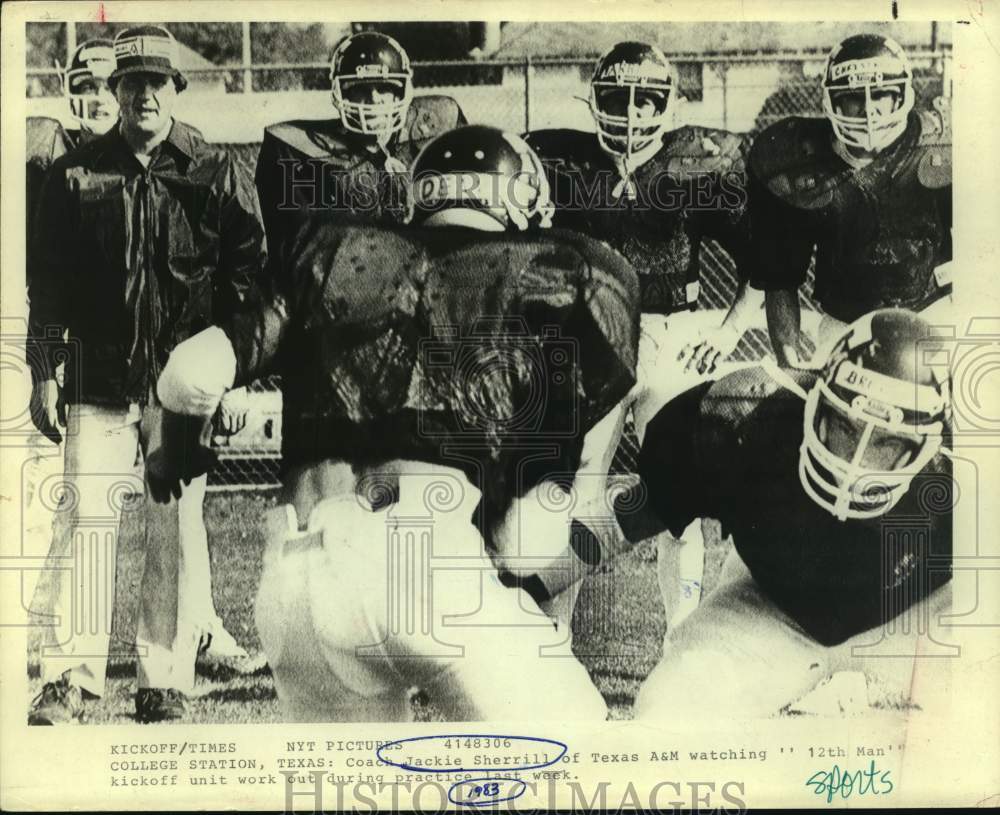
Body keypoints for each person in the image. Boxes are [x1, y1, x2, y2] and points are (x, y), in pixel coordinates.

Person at [152, 125, 641, 721]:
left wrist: (176, 453)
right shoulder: (545, 274)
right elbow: (535, 519)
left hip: (293, 587)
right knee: (575, 755)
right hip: (420, 563)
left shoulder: (336, 256)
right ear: (522, 201)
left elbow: (188, 373)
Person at [27, 25, 267, 725]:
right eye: (131, 83)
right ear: (116, 92)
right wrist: (46, 371)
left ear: (174, 90)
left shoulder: (213, 169)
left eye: (157, 83)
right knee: (88, 521)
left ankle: (162, 678)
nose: (144, 96)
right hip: (97, 379)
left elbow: (245, 280)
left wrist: (235, 373)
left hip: (181, 382)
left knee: (172, 529)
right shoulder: (77, 174)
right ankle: (71, 678)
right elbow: (50, 284)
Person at [611, 308, 953, 718]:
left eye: (885, 442)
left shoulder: (967, 472)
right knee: (667, 709)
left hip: (909, 623)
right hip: (772, 603)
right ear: (817, 403)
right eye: (845, 427)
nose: (855, 460)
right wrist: (527, 584)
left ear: (926, 447)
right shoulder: (748, 416)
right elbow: (627, 520)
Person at [525, 41, 759, 628]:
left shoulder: (697, 167)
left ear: (669, 105)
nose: (630, 115)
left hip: (673, 334)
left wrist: (729, 333)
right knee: (574, 487)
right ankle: (552, 642)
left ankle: (680, 637)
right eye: (617, 100)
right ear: (594, 101)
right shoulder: (559, 163)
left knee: (679, 493)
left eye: (645, 100)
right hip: (589, 337)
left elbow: (766, 264)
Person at [743, 34, 952, 367]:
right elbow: (781, 280)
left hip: (935, 316)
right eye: (854, 96)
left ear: (902, 95)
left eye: (881, 93)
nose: (869, 109)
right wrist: (789, 361)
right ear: (833, 102)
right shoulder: (799, 160)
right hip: (847, 329)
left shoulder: (941, 146)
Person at [254, 31, 466, 261]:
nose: (374, 99)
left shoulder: (437, 124)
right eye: (360, 89)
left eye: (384, 87)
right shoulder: (298, 150)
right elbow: (298, 255)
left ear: (401, 91)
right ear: (340, 92)